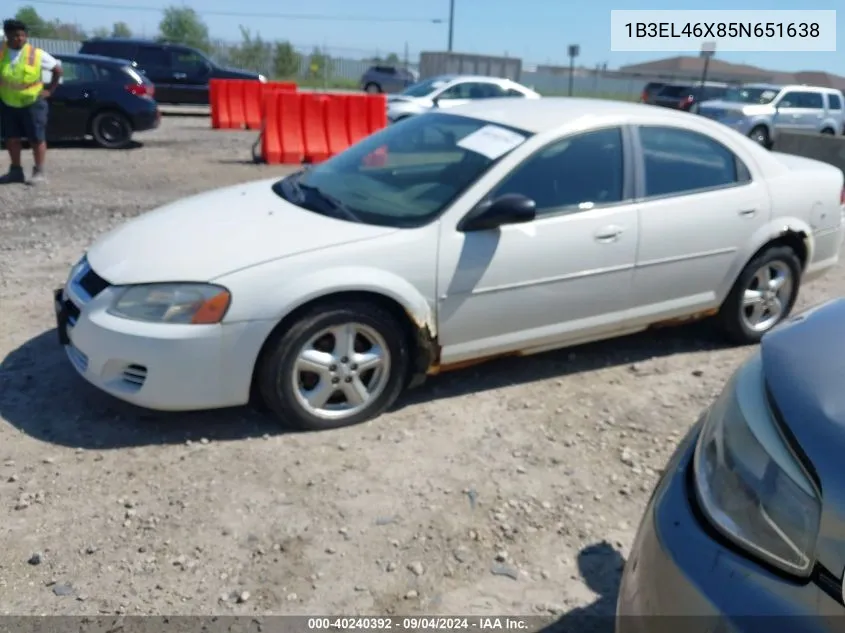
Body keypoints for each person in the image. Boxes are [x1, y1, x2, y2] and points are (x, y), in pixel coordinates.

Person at [0, 18, 62, 185]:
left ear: (26, 36)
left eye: (21, 35)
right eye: (14, 35)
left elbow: (57, 69)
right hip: (8, 103)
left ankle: (39, 171)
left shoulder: (36, 54)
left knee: (36, 138)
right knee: (11, 138)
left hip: (32, 103)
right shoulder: (1, 52)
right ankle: (15, 171)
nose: (18, 39)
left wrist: (50, 90)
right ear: (7, 36)